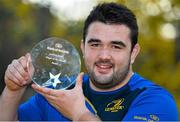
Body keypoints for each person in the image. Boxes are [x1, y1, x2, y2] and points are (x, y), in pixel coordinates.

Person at [0, 2, 178, 121]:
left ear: (133, 52)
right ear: (83, 48)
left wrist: (78, 114)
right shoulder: (57, 92)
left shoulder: (155, 100)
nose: (104, 55)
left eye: (116, 46)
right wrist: (13, 89)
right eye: (95, 44)